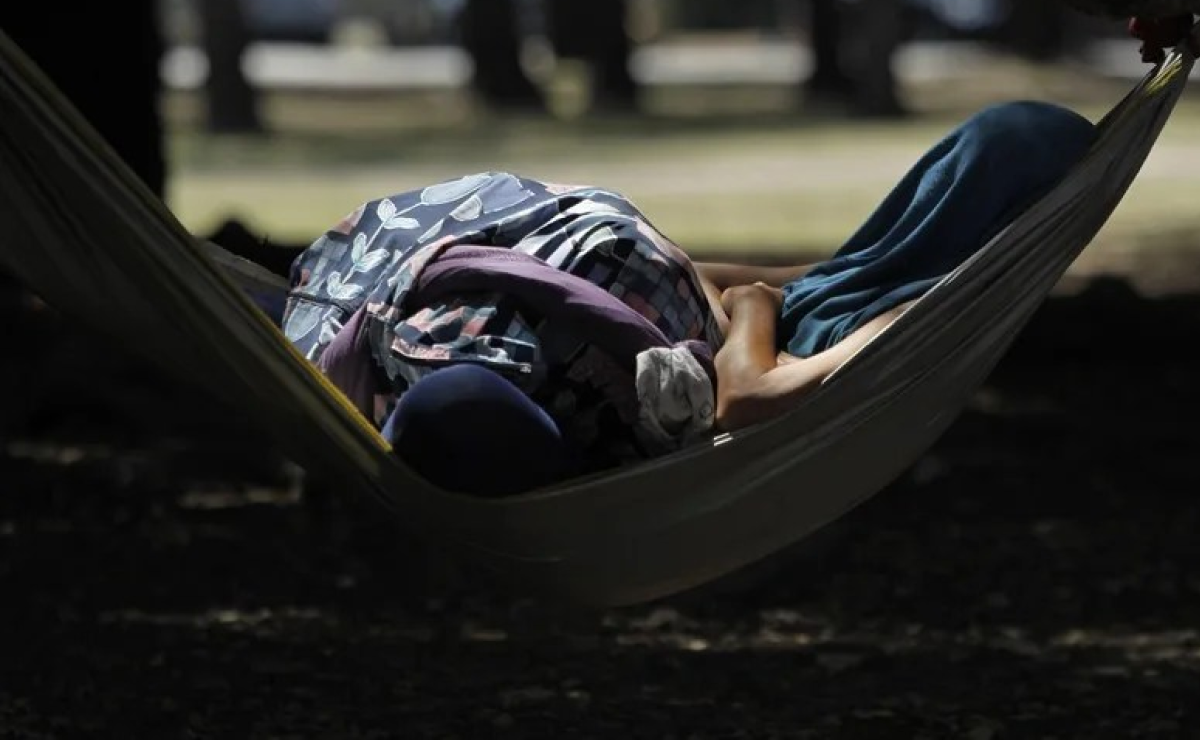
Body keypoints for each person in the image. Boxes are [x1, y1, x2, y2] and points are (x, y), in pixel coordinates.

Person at [280, 100, 1096, 495]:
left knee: (455, 405)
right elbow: (741, 375)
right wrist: (749, 307)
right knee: (457, 404)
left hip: (406, 314)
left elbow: (748, 377)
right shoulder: (904, 303)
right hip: (488, 364)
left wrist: (753, 305)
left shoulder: (910, 311)